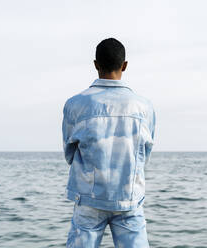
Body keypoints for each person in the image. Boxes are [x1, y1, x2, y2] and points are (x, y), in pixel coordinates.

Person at [62, 38, 156, 247]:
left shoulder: (75, 104)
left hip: (88, 197)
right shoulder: (144, 107)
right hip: (128, 197)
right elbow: (145, 155)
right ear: (124, 66)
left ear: (95, 64)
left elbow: (69, 153)